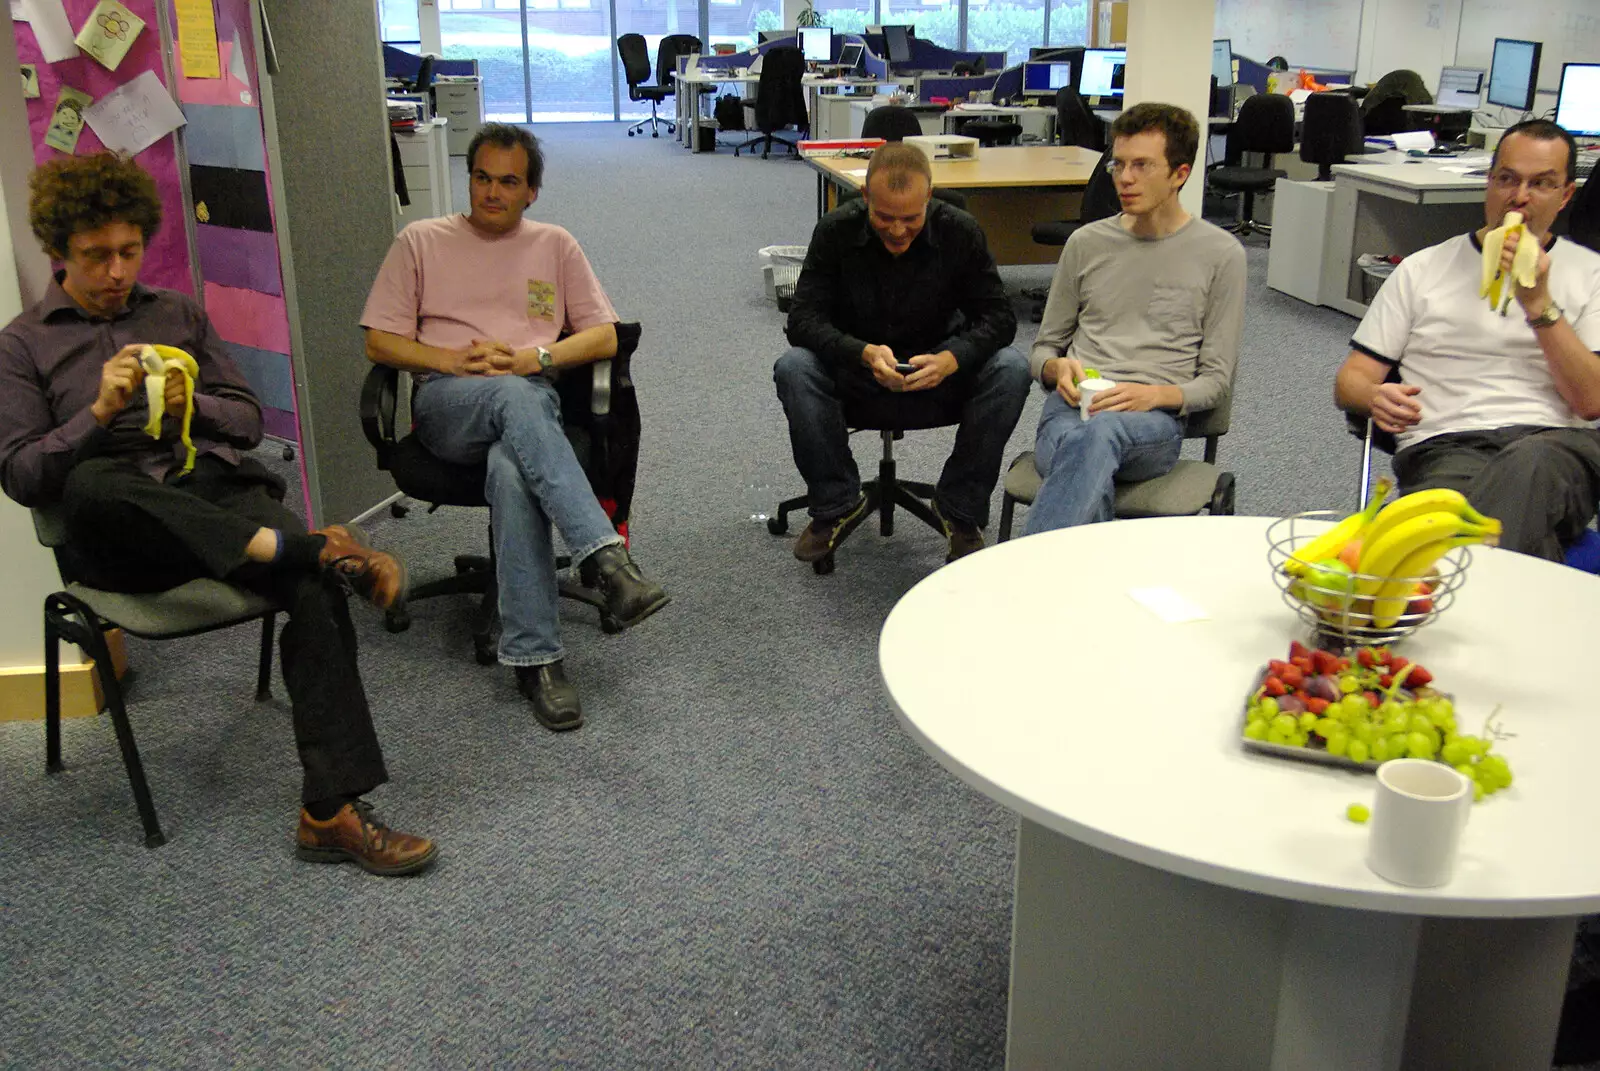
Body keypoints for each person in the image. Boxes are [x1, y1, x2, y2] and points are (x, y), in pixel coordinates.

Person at [0, 153, 436, 876]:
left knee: (312, 591)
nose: (115, 271)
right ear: (57, 253)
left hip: (210, 498)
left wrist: (187, 403)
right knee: (95, 483)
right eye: (95, 256)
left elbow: (245, 419)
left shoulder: (177, 314)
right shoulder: (22, 344)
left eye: (129, 251)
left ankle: (328, 812)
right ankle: (314, 546)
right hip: (120, 535)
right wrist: (100, 412)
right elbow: (20, 473)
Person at [362, 123, 669, 732]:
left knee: (511, 465)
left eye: (508, 182)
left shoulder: (554, 244)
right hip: (448, 402)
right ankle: (607, 560)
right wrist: (448, 359)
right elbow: (379, 339)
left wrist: (536, 358)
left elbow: (605, 334)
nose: (492, 193)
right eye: (482, 178)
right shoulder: (420, 240)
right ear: (468, 178)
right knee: (508, 400)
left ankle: (539, 662)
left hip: (530, 393)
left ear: (532, 191)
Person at [1334, 119, 1600, 562]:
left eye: (1542, 184)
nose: (1519, 197)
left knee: (1524, 470)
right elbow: (1350, 381)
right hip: (1447, 446)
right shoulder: (1421, 269)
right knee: (1481, 517)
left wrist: (1538, 305)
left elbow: (1590, 401)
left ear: (1566, 195)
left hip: (1557, 449)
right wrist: (1374, 395)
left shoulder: (1591, 274)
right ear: (1488, 183)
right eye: (1507, 179)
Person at [774, 142, 1029, 564]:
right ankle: (836, 505)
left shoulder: (960, 231)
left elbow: (1000, 318)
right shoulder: (836, 231)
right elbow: (802, 321)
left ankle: (959, 510)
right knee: (794, 367)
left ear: (929, 198)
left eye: (911, 219)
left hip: (938, 378)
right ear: (865, 198)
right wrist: (861, 353)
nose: (897, 231)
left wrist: (953, 357)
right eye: (884, 217)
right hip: (859, 378)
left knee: (1012, 368)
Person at [1024, 102, 1246, 535]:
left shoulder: (1221, 255)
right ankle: (1086, 591)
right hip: (1069, 413)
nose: (1124, 179)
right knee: (1087, 455)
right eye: (1118, 164)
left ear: (1180, 174)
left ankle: (1025, 581)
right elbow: (1042, 350)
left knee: (1095, 439)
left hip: (1152, 425)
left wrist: (1154, 395)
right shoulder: (1086, 244)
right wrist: (1054, 369)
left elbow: (1215, 383)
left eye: (1142, 165)